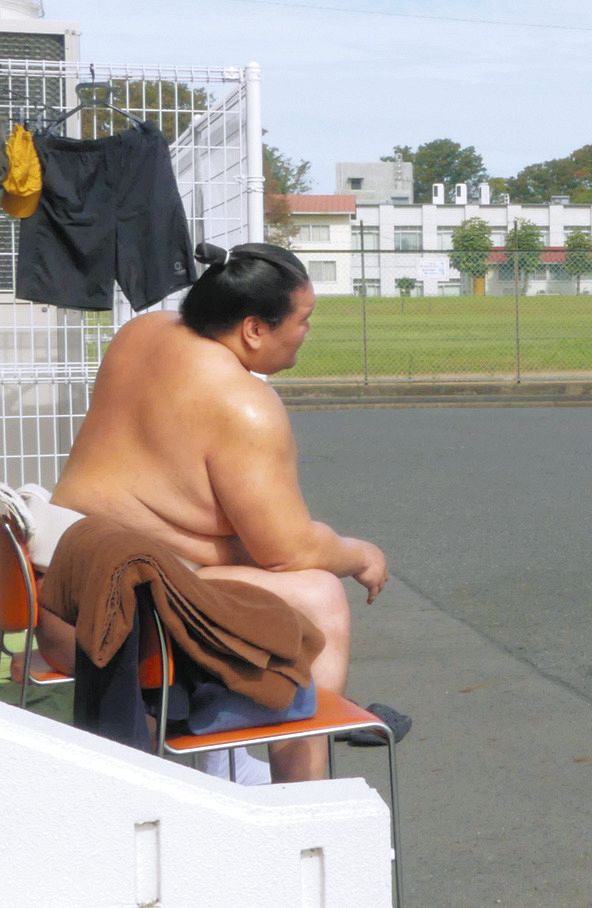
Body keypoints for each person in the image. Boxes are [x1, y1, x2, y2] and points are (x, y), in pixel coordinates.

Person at [33, 241, 390, 783]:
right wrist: (360, 554)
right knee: (319, 594)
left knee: (258, 572)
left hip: (58, 606)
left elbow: (168, 515)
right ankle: (304, 799)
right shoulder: (243, 403)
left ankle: (238, 767)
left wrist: (223, 546)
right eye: (304, 319)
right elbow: (285, 551)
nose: (307, 332)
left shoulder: (140, 335)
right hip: (122, 632)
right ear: (253, 329)